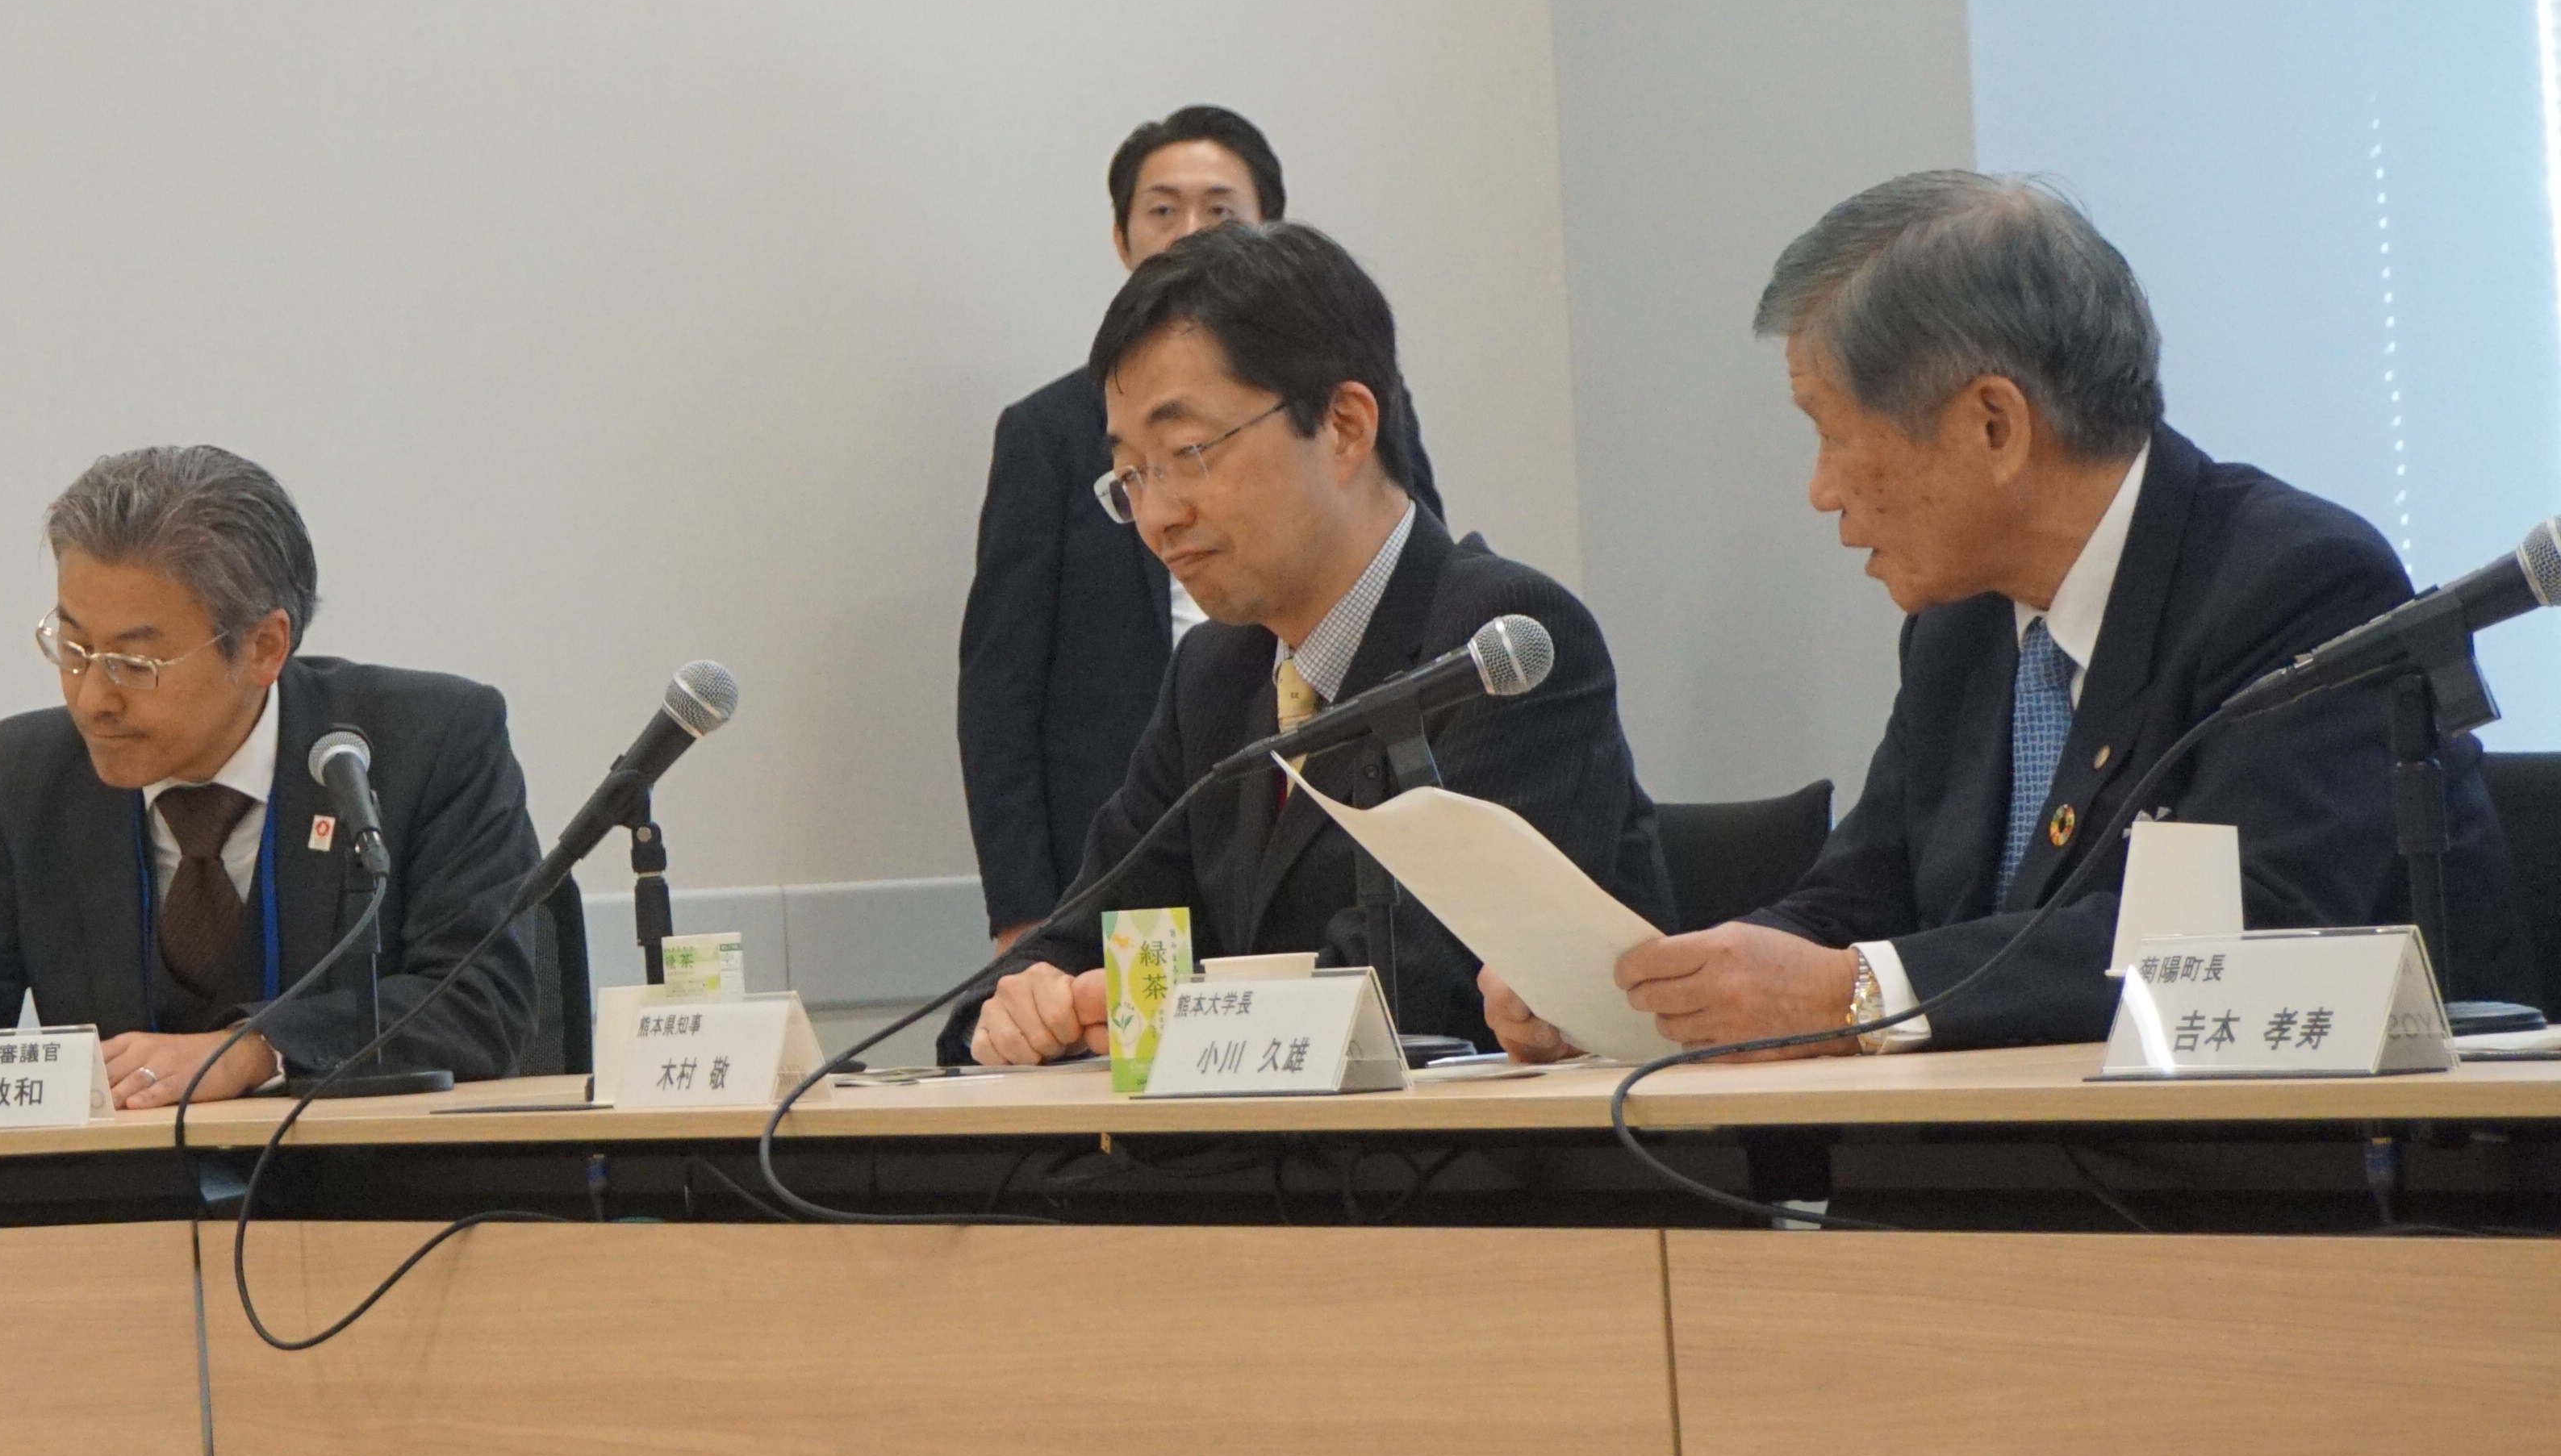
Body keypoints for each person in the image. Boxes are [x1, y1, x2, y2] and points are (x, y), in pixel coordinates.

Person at [1490, 172, 2530, 1060]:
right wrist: (1647, 994)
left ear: (1994, 424)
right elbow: (1855, 903)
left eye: (1832, 432)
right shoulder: (1963, 629)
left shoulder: (2296, 585)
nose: (1820, 490)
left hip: (2300, 1191)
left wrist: (1854, 995)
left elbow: (2253, 937)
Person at [962, 221, 1668, 1066]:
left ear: (1344, 425)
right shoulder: (1213, 676)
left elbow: (1420, 993)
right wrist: (1028, 1000)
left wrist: (1146, 1016)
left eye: (1188, 453)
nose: (1156, 517)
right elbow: (1087, 930)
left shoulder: (1500, 647)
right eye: (1133, 475)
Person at [0, 445, 548, 1124]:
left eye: (136, 661)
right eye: (73, 648)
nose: (92, 697)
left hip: (374, 1207)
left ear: (264, 647)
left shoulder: (425, 744)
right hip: (123, 1217)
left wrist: (250, 1050)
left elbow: (480, 1000)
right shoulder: (25, 777)